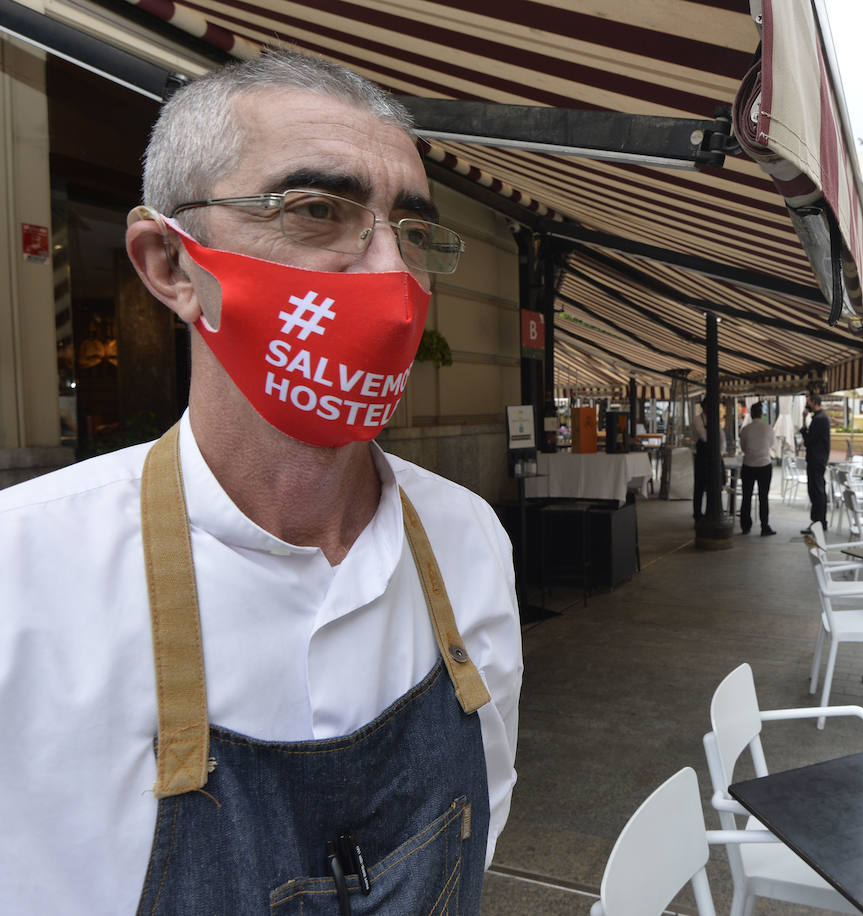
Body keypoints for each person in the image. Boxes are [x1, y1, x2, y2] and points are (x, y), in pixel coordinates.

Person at [0, 53, 522, 912]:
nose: (391, 281)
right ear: (171, 263)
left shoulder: (468, 539)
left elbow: (486, 820)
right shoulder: (28, 572)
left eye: (413, 232)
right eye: (318, 211)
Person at [738, 402, 777, 536]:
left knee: (746, 496)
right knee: (763, 497)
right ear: (761, 414)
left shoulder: (745, 429)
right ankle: (764, 526)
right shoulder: (768, 428)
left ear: (751, 413)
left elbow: (743, 447)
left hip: (748, 464)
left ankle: (745, 526)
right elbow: (771, 444)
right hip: (764, 464)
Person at [801, 392, 831, 533]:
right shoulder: (820, 418)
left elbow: (808, 440)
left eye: (809, 402)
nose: (807, 405)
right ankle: (819, 521)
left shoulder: (819, 419)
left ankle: (818, 521)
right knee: (817, 489)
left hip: (816, 459)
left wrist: (803, 421)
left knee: (816, 490)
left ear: (814, 402)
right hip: (819, 459)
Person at [691, 397, 724, 521]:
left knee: (713, 485)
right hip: (701, 456)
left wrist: (720, 450)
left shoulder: (714, 419)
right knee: (699, 487)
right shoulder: (697, 419)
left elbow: (722, 436)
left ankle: (711, 513)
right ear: (704, 407)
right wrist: (715, 441)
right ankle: (697, 515)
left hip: (714, 455)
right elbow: (703, 436)